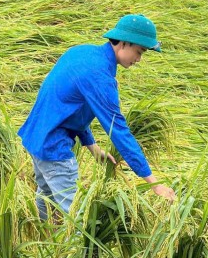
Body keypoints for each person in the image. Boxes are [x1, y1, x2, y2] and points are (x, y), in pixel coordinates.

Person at [18, 14, 176, 219]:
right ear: (124, 43)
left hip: (36, 138)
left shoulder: (82, 53)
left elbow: (73, 106)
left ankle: (39, 235)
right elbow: (119, 132)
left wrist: (92, 147)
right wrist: (154, 184)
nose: (138, 59)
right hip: (53, 147)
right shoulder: (99, 76)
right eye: (139, 52)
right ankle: (75, 250)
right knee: (79, 219)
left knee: (47, 199)